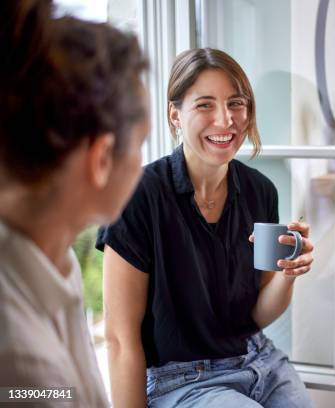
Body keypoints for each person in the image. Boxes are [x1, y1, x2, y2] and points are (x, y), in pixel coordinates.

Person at [96, 48, 315, 407]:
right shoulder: (137, 195)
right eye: (205, 105)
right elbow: (120, 339)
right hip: (179, 381)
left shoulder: (261, 191)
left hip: (259, 362)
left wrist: (288, 273)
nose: (225, 120)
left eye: (236, 103)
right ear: (175, 115)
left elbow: (258, 313)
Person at [0, 1, 150, 406]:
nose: (143, 163)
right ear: (102, 159)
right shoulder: (22, 363)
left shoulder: (52, 263)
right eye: (141, 143)